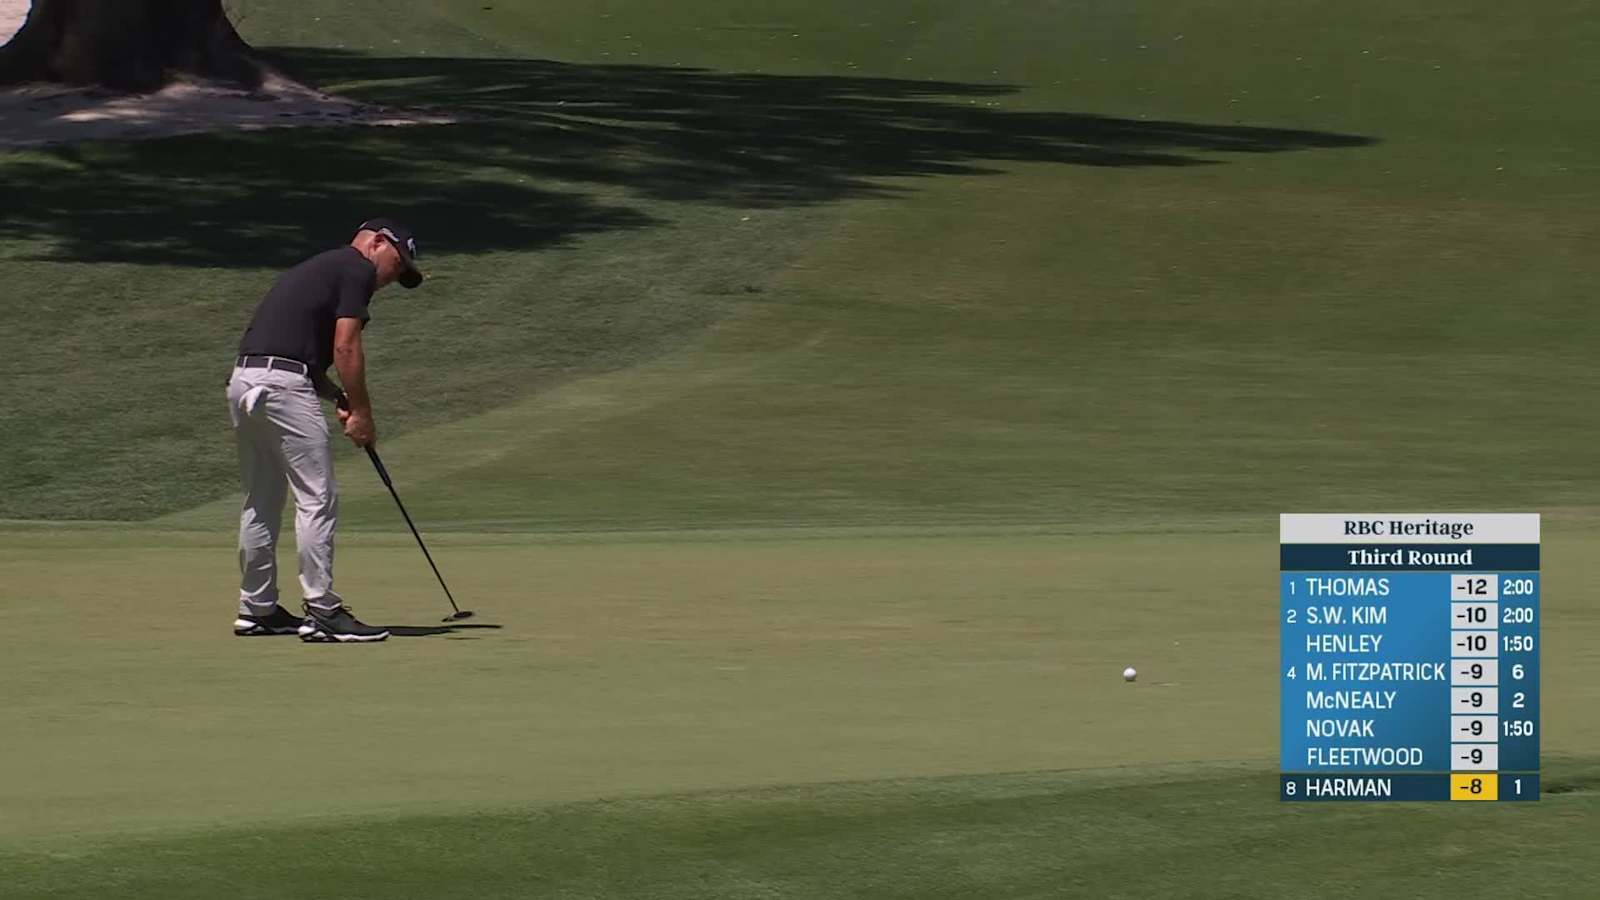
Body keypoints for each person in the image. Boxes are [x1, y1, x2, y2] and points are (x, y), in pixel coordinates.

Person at [224, 219, 424, 643]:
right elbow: (345, 346)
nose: (393, 276)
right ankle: (323, 611)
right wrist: (364, 412)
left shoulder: (321, 267)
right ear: (376, 243)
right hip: (282, 386)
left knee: (262, 496)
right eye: (397, 263)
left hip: (246, 381)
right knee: (317, 496)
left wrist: (335, 395)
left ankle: (256, 608)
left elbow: (293, 346)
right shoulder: (356, 269)